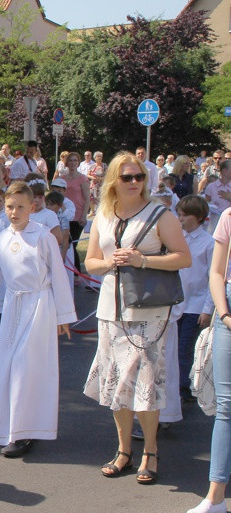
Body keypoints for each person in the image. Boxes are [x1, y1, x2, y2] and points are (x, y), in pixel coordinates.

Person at [83, 151, 190, 484]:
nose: (134, 182)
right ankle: (124, 450)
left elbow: (183, 258)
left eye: (139, 176)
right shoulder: (102, 214)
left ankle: (150, 451)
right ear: (114, 180)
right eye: (126, 177)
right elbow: (91, 263)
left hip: (148, 310)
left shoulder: (160, 214)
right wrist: (111, 263)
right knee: (116, 383)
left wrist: (142, 260)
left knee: (145, 385)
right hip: (111, 309)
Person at [0, 182, 75, 457]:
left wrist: (63, 315)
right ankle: (13, 427)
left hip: (39, 305)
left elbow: (59, 276)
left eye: (20, 207)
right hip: (13, 306)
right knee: (7, 366)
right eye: (9, 207)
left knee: (27, 368)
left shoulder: (43, 237)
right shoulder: (2, 239)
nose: (14, 212)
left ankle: (26, 430)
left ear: (32, 208)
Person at [186, 205, 231, 513]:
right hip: (228, 310)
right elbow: (216, 272)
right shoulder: (229, 217)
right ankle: (215, 496)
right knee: (227, 407)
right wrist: (225, 314)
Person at [174, 196, 213, 403]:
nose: (180, 219)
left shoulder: (209, 243)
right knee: (173, 347)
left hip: (195, 305)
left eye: (184, 215)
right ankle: (178, 384)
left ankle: (181, 388)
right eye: (178, 214)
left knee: (184, 348)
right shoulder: (178, 238)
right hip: (176, 303)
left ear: (197, 217)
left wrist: (207, 309)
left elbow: (212, 279)